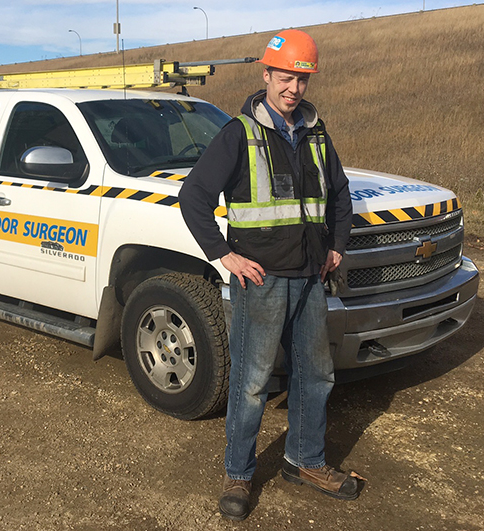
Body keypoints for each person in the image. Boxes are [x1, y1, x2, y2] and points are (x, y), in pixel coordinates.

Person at [178, 29, 359, 521]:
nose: (293, 88)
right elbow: (193, 196)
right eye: (285, 77)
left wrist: (336, 248)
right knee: (252, 381)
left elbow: (339, 196)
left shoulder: (317, 133)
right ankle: (238, 473)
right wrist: (223, 255)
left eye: (301, 79)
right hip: (260, 281)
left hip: (309, 278)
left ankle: (306, 461)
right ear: (267, 76)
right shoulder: (239, 132)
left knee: (316, 375)